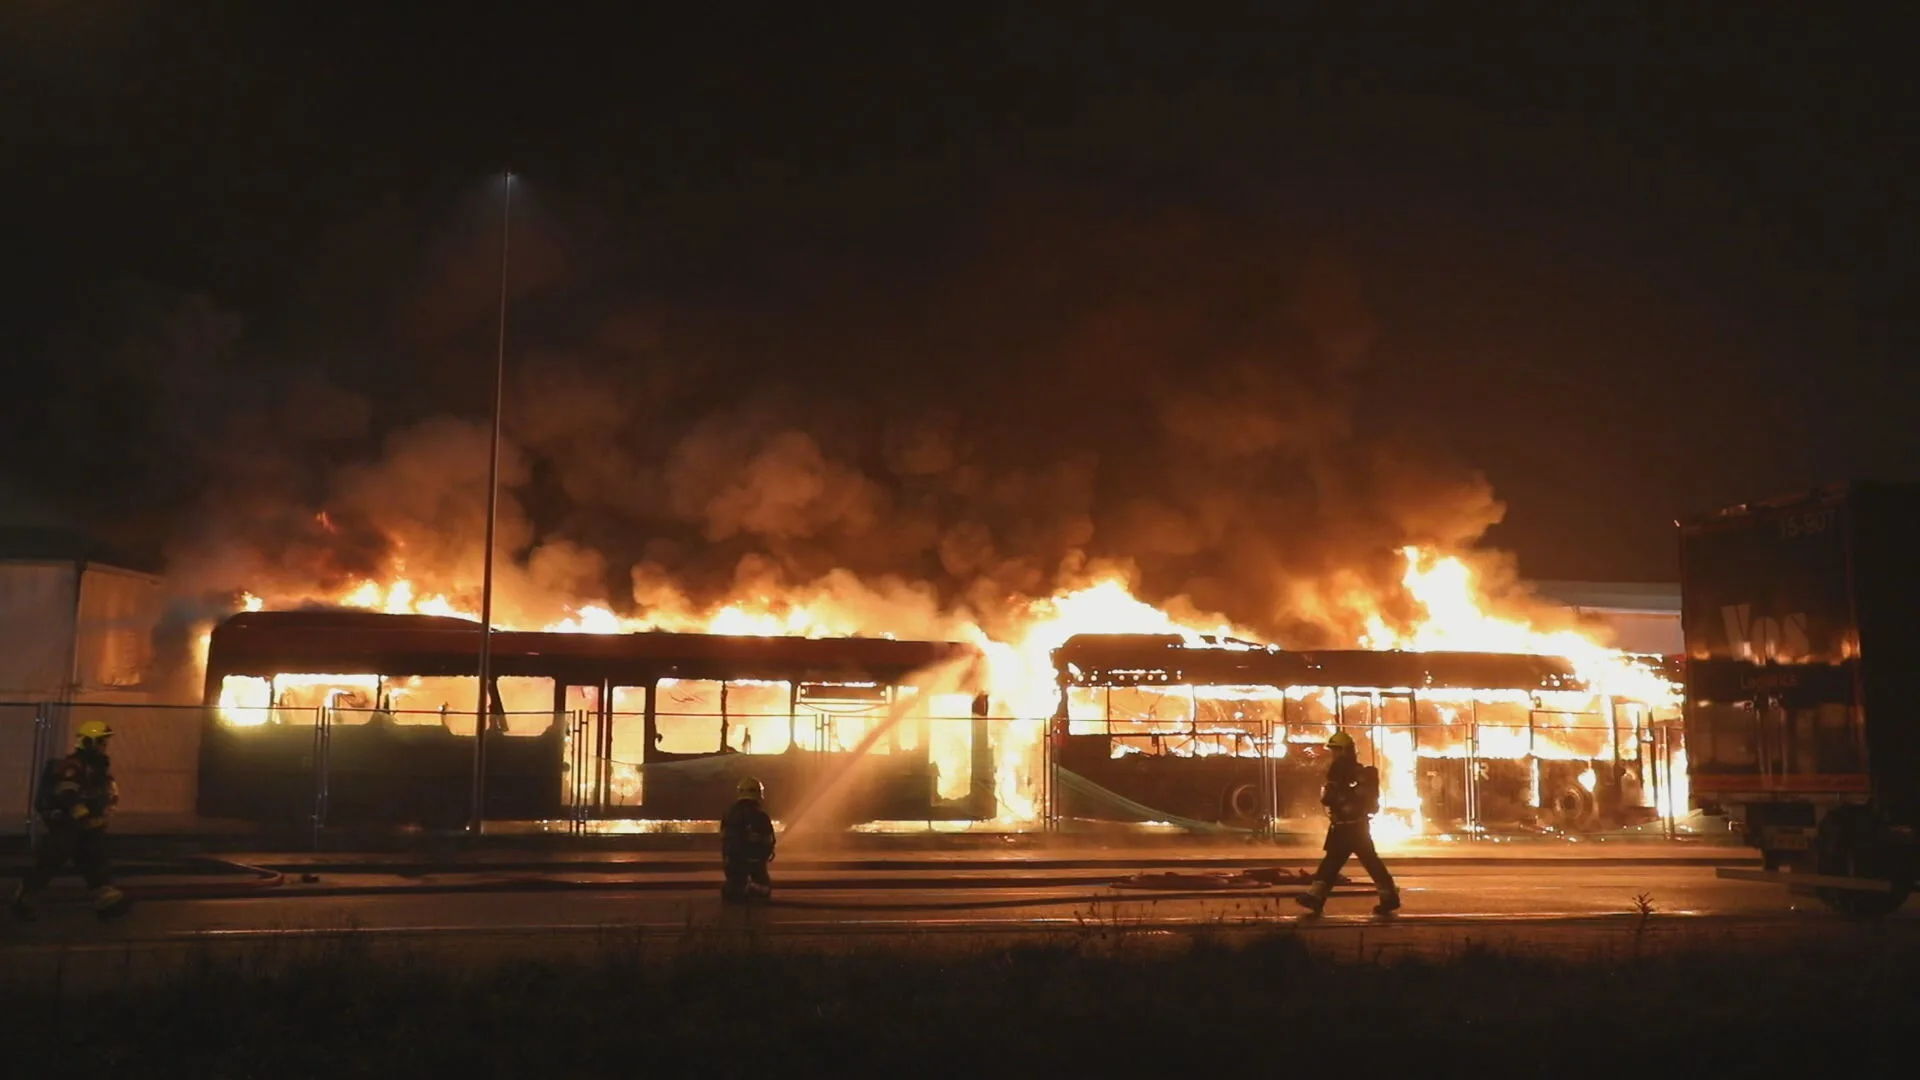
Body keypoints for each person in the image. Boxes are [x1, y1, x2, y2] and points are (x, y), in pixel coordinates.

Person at [11, 719, 132, 922]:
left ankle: (107, 901)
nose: (104, 747)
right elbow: (66, 793)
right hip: (67, 825)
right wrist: (84, 817)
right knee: (51, 860)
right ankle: (23, 900)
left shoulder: (97, 766)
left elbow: (101, 792)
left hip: (86, 825)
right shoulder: (74, 765)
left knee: (94, 860)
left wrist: (100, 814)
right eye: (101, 742)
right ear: (88, 743)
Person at [1294, 731, 1400, 916]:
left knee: (1353, 862)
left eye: (1336, 751)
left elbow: (1350, 798)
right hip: (1345, 826)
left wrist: (1339, 793)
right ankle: (1317, 897)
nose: (1333, 755)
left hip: (1353, 827)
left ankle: (1317, 897)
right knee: (1340, 862)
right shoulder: (1340, 774)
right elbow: (1329, 798)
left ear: (1345, 751)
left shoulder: (1358, 774)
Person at [719, 776, 776, 902]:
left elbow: (724, 836)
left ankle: (735, 894)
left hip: (731, 860)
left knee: (733, 886)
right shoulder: (760, 816)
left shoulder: (729, 813)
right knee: (763, 888)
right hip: (754, 862)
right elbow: (768, 840)